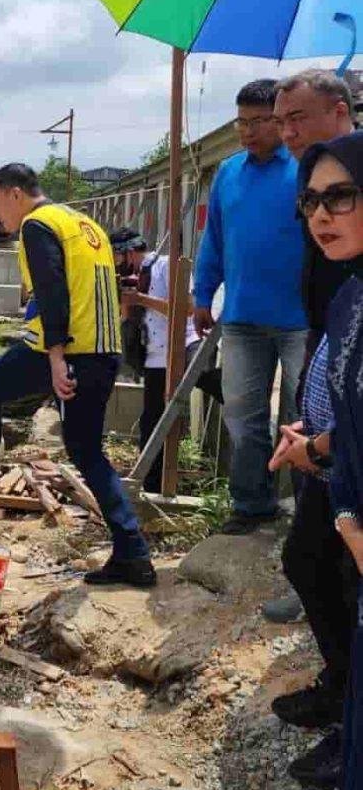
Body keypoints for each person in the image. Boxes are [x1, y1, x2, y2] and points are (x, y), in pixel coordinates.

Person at [0, 164, 155, 588]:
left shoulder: (36, 225)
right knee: (87, 450)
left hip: (66, 351)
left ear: (15, 194)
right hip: (102, 350)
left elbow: (52, 291)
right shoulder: (80, 220)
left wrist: (57, 358)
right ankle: (132, 551)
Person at [259, 73, 356, 628]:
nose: (285, 130)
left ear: (338, 111)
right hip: (323, 338)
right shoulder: (312, 172)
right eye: (280, 120)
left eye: (296, 117)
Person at [291, 131, 363, 790]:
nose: (321, 213)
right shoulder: (348, 294)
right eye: (310, 200)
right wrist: (313, 437)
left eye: (341, 195)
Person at [193, 79, 308, 535]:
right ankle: (251, 504)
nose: (247, 132)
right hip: (241, 316)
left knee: (302, 420)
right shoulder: (228, 172)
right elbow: (214, 240)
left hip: (302, 319)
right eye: (241, 122)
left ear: (279, 121)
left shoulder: (305, 168)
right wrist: (204, 295)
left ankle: (306, 513)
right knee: (242, 416)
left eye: (258, 122)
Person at [110, 227, 223, 494]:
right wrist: (126, 302)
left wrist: (140, 298)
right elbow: (130, 322)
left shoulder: (165, 266)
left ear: (129, 251)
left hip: (186, 342)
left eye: (116, 256)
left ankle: (238, 399)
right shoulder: (130, 278)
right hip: (155, 356)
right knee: (152, 420)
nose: (117, 264)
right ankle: (150, 484)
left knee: (203, 376)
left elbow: (186, 309)